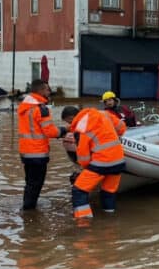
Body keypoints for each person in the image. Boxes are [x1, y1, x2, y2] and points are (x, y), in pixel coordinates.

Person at [61, 105, 126, 219]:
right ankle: (110, 217)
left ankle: (84, 222)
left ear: (71, 118)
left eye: (69, 122)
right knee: (108, 191)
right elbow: (122, 128)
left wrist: (86, 168)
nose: (70, 126)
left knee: (78, 190)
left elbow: (83, 156)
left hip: (101, 163)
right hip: (119, 160)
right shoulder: (103, 113)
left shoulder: (81, 127)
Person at [18, 79, 67, 210]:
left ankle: (28, 208)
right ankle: (29, 211)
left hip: (26, 152)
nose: (49, 92)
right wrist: (63, 130)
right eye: (47, 89)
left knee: (30, 183)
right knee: (36, 183)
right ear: (40, 91)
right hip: (38, 153)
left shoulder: (25, 106)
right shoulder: (41, 109)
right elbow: (50, 131)